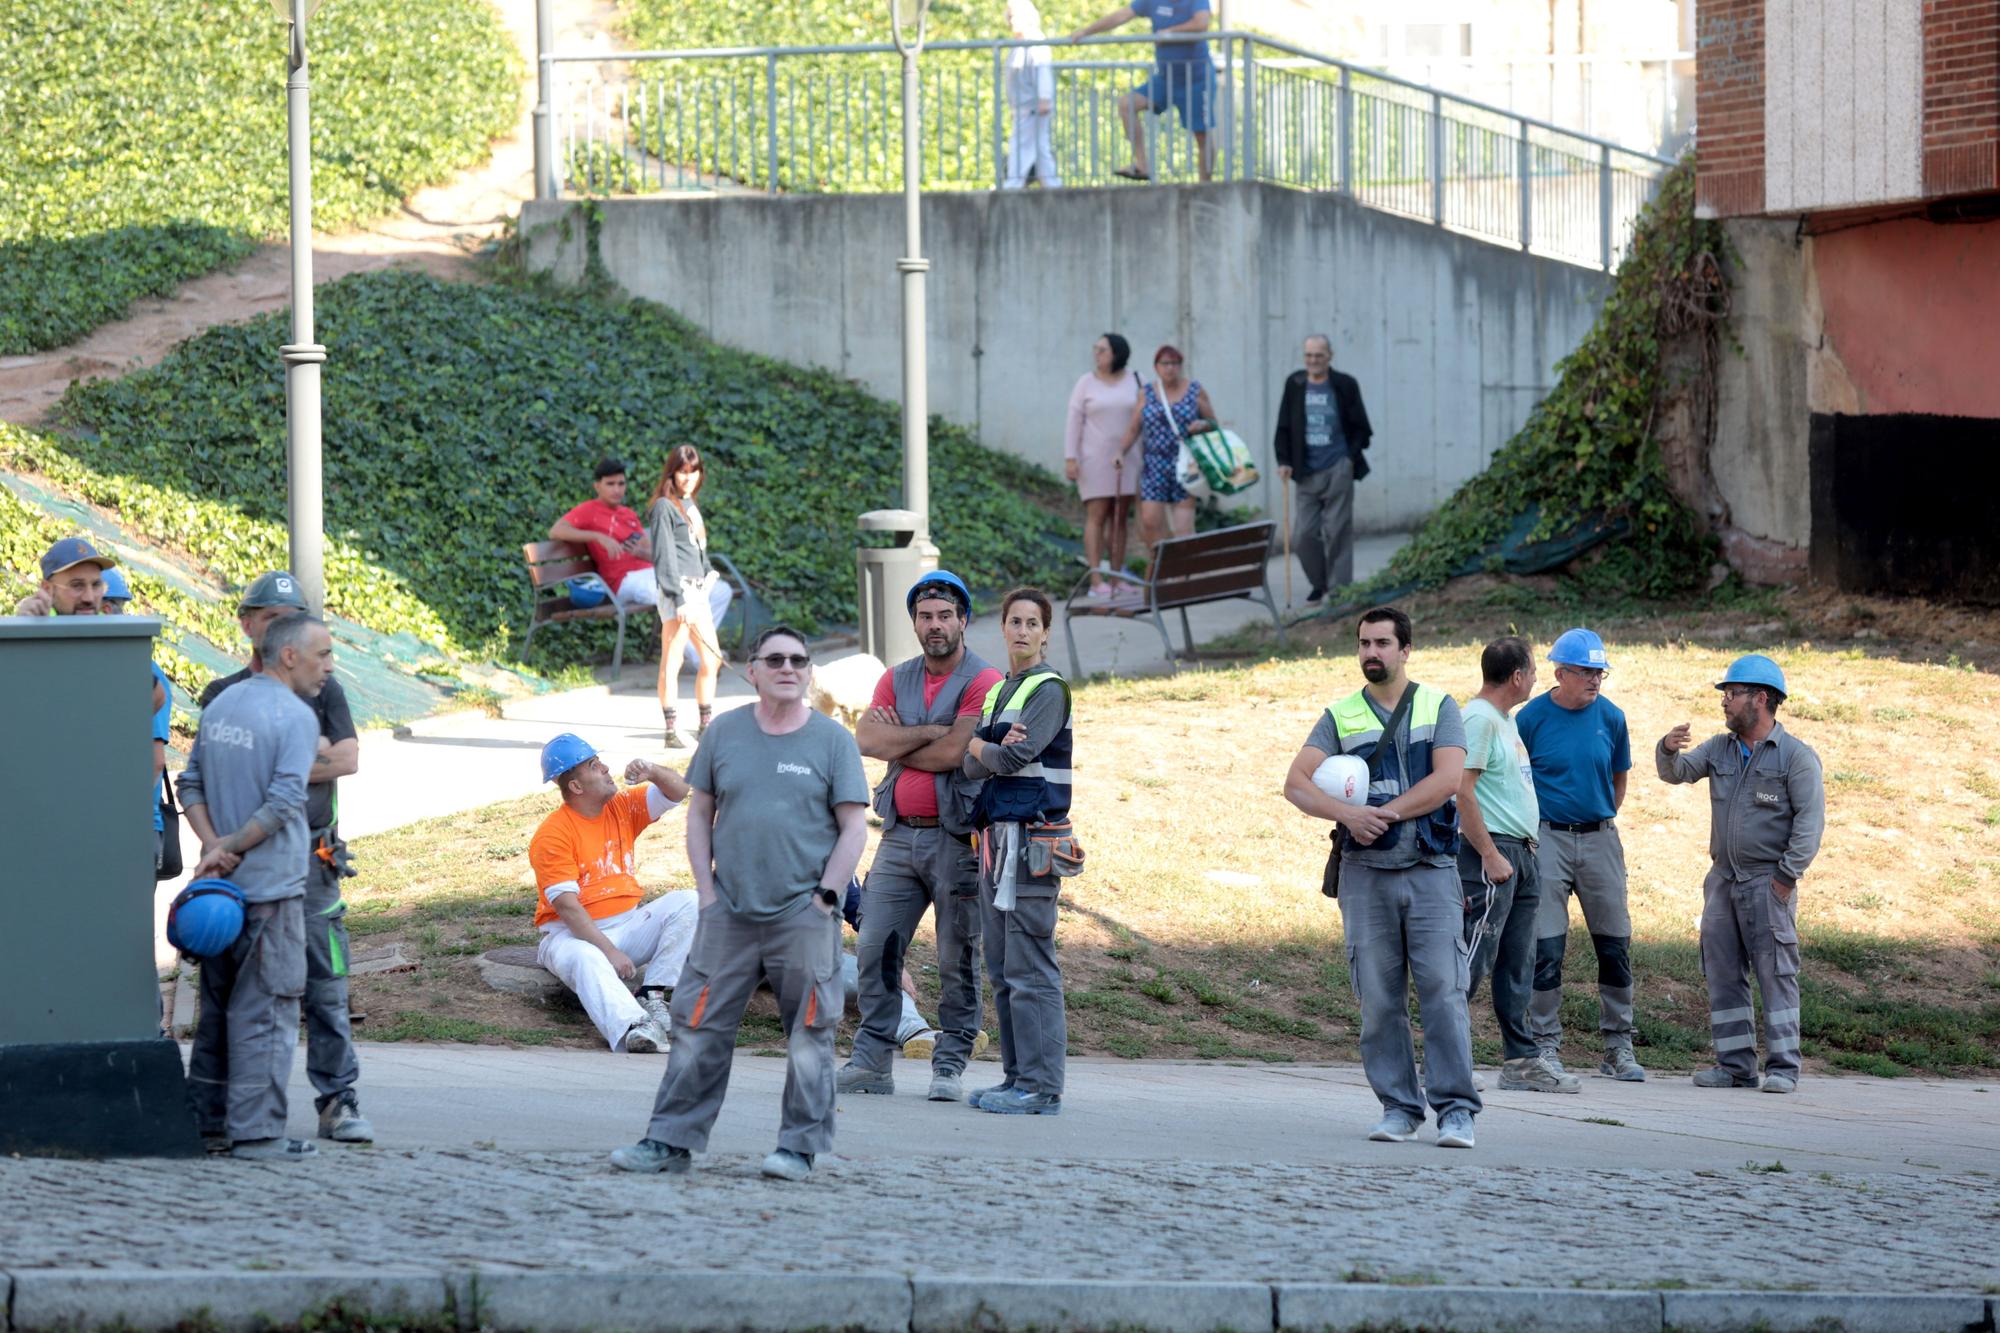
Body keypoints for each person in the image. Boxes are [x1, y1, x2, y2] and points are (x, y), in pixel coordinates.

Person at [611, 626, 869, 1181]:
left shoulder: (832, 741)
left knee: (809, 1032)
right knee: (698, 1026)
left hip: (803, 915)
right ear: (751, 670)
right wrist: (706, 893)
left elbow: (853, 829)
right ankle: (668, 1142)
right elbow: (699, 813)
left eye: (799, 660)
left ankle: (797, 1149)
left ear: (808, 672)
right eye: (774, 659)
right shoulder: (725, 733)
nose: (788, 668)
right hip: (728, 914)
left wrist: (827, 897)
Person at [1283, 605, 1478, 1148]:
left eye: (1383, 643)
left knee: (1443, 992)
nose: (1372, 653)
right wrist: (1347, 815)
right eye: (1364, 643)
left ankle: (1457, 1110)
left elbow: (1447, 781)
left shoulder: (1439, 707)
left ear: (1405, 650)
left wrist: (1385, 814)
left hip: (1432, 872)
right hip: (1364, 877)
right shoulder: (1340, 715)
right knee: (1379, 999)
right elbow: (1296, 784)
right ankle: (1398, 1108)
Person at [197, 571, 373, 1142]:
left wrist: (290, 765)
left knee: (326, 984)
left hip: (312, 864)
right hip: (248, 869)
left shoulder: (323, 690)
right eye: (273, 617)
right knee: (251, 998)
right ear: (254, 629)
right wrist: (294, 760)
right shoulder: (230, 696)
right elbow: (284, 788)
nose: (326, 662)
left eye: (293, 612)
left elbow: (346, 761)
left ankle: (337, 1099)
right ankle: (239, 1123)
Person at [838, 572, 1004, 1103]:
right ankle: (871, 1062)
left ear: (962, 621)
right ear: (915, 622)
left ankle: (950, 1063)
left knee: (958, 954)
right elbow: (866, 737)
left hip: (959, 841)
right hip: (899, 836)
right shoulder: (896, 678)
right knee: (874, 946)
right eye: (925, 616)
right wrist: (936, 730)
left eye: (944, 616)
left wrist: (903, 741)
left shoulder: (985, 679)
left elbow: (956, 753)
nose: (934, 625)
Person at [177, 612, 331, 1161]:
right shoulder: (295, 716)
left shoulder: (222, 704)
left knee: (217, 1012)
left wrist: (213, 846)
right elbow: (287, 798)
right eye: (322, 656)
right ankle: (259, 1134)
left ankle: (208, 1124)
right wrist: (234, 847)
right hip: (271, 892)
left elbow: (188, 781)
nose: (328, 669)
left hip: (219, 896)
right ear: (289, 655)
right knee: (266, 1011)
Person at [1657, 656, 1825, 1094]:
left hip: (1767, 882)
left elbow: (1809, 826)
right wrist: (1668, 749)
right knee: (1722, 971)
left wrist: (1784, 880)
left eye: (1732, 694)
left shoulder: (1796, 758)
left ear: (1761, 699)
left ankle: (1784, 1068)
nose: (1725, 702)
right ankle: (1735, 1067)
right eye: (1725, 694)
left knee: (1775, 972)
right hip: (1723, 881)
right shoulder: (1719, 747)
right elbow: (1676, 773)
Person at [1516, 627, 1646, 1083]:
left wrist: (1598, 821)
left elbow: (1619, 780)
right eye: (1587, 673)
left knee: (1615, 944)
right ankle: (1546, 1045)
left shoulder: (1612, 718)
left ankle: (1617, 1046)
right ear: (1560, 673)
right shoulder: (1529, 719)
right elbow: (1515, 780)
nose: (1595, 681)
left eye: (1600, 673)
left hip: (1600, 838)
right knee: (1546, 946)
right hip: (1547, 838)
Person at [961, 588, 1072, 1115]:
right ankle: (1015, 1078)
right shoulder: (1000, 691)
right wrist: (987, 746)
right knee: (1003, 967)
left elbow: (1014, 757)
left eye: (1033, 622)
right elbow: (972, 763)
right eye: (1015, 621)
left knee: (1031, 968)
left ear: (1045, 632)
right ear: (1002, 629)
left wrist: (985, 747)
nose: (1023, 630)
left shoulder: (1049, 689)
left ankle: (1042, 1087)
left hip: (1032, 840)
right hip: (995, 840)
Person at [1458, 636, 1579, 1095]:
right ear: (1516, 676)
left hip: (1523, 854)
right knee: (1472, 958)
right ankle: (1447, 1060)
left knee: (1517, 963)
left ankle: (1521, 1062)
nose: (1535, 678)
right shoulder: (1478, 720)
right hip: (1494, 855)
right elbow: (1461, 791)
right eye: (1532, 670)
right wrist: (1488, 854)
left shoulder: (1504, 721)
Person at [528, 733, 699, 1054]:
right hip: (571, 937)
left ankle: (653, 993)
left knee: (689, 902)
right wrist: (609, 951)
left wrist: (653, 771)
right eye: (594, 766)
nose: (606, 768)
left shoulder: (622, 806)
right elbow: (568, 908)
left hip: (627, 926)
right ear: (576, 787)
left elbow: (679, 790)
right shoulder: (552, 834)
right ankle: (635, 1026)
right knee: (586, 956)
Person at [1273, 335, 1374, 605]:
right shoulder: (1295, 384)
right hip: (1305, 471)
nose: (1313, 361)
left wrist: (1348, 459)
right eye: (1308, 355)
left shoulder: (1344, 384)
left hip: (1337, 467)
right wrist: (1283, 460)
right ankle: (1321, 583)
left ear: (1330, 355)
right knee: (1303, 535)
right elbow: (1283, 424)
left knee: (1337, 530)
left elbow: (1362, 427)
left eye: (1318, 355)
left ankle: (1340, 590)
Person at [645, 446, 734, 749]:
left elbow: (696, 550)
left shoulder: (688, 503)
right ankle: (671, 730)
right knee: (673, 659)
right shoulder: (663, 507)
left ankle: (705, 726)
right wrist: (677, 596)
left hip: (697, 590)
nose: (688, 477)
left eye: (693, 471)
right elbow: (664, 556)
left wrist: (709, 572)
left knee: (711, 659)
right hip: (678, 591)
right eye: (682, 471)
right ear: (672, 472)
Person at [1070, 0, 1216, 181]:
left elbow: (1201, 23)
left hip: (1196, 78)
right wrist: (1086, 31)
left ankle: (1205, 187)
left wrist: (1170, 32)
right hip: (1166, 77)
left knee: (1202, 134)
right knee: (1127, 104)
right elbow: (1121, 15)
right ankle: (1141, 165)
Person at [1065, 334, 1142, 599]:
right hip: (1093, 459)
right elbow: (1074, 421)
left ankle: (1117, 577)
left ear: (1117, 354)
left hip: (1128, 459)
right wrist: (1070, 457)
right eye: (1095, 349)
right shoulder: (1085, 383)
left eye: (1103, 350)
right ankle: (1096, 579)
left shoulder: (1135, 379)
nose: (1097, 354)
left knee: (1120, 518)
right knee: (1096, 516)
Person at [1124, 343, 1215, 554]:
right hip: (1154, 464)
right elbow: (1133, 428)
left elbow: (1213, 422)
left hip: (1185, 464)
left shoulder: (1194, 390)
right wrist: (1120, 452)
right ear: (1156, 367)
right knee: (1150, 522)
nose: (1170, 368)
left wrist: (1201, 425)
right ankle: (1161, 573)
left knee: (1184, 529)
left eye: (1175, 363)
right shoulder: (1146, 393)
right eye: (1165, 363)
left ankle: (1185, 578)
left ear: (1181, 366)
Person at [549, 457, 655, 615]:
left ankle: (695, 641)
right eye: (610, 484)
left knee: (699, 590)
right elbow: (555, 531)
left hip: (650, 573)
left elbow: (650, 549)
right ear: (597, 486)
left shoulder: (629, 514)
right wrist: (598, 536)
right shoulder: (589, 510)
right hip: (624, 581)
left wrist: (643, 553)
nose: (617, 490)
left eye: (621, 484)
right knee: (675, 598)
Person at [1002, 0, 1061, 189]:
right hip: (1024, 107)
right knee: (1039, 149)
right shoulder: (1020, 43)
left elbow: (1042, 71)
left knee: (1021, 147)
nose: (1011, 20)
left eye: (1014, 16)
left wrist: (1044, 98)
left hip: (1033, 107)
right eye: (1010, 16)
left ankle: (1013, 184)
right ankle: (1052, 185)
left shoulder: (1034, 40)